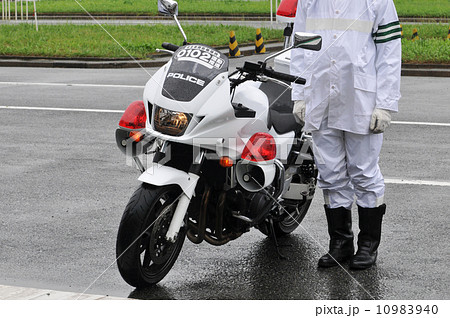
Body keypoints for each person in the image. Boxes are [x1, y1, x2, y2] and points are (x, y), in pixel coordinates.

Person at [290, 0, 401, 269]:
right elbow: (301, 49)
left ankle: (367, 245)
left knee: (363, 171)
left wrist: (385, 104)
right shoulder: (309, 1)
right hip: (320, 96)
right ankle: (340, 243)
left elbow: (389, 54)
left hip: (361, 99)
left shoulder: (377, 1)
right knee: (330, 173)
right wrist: (300, 94)